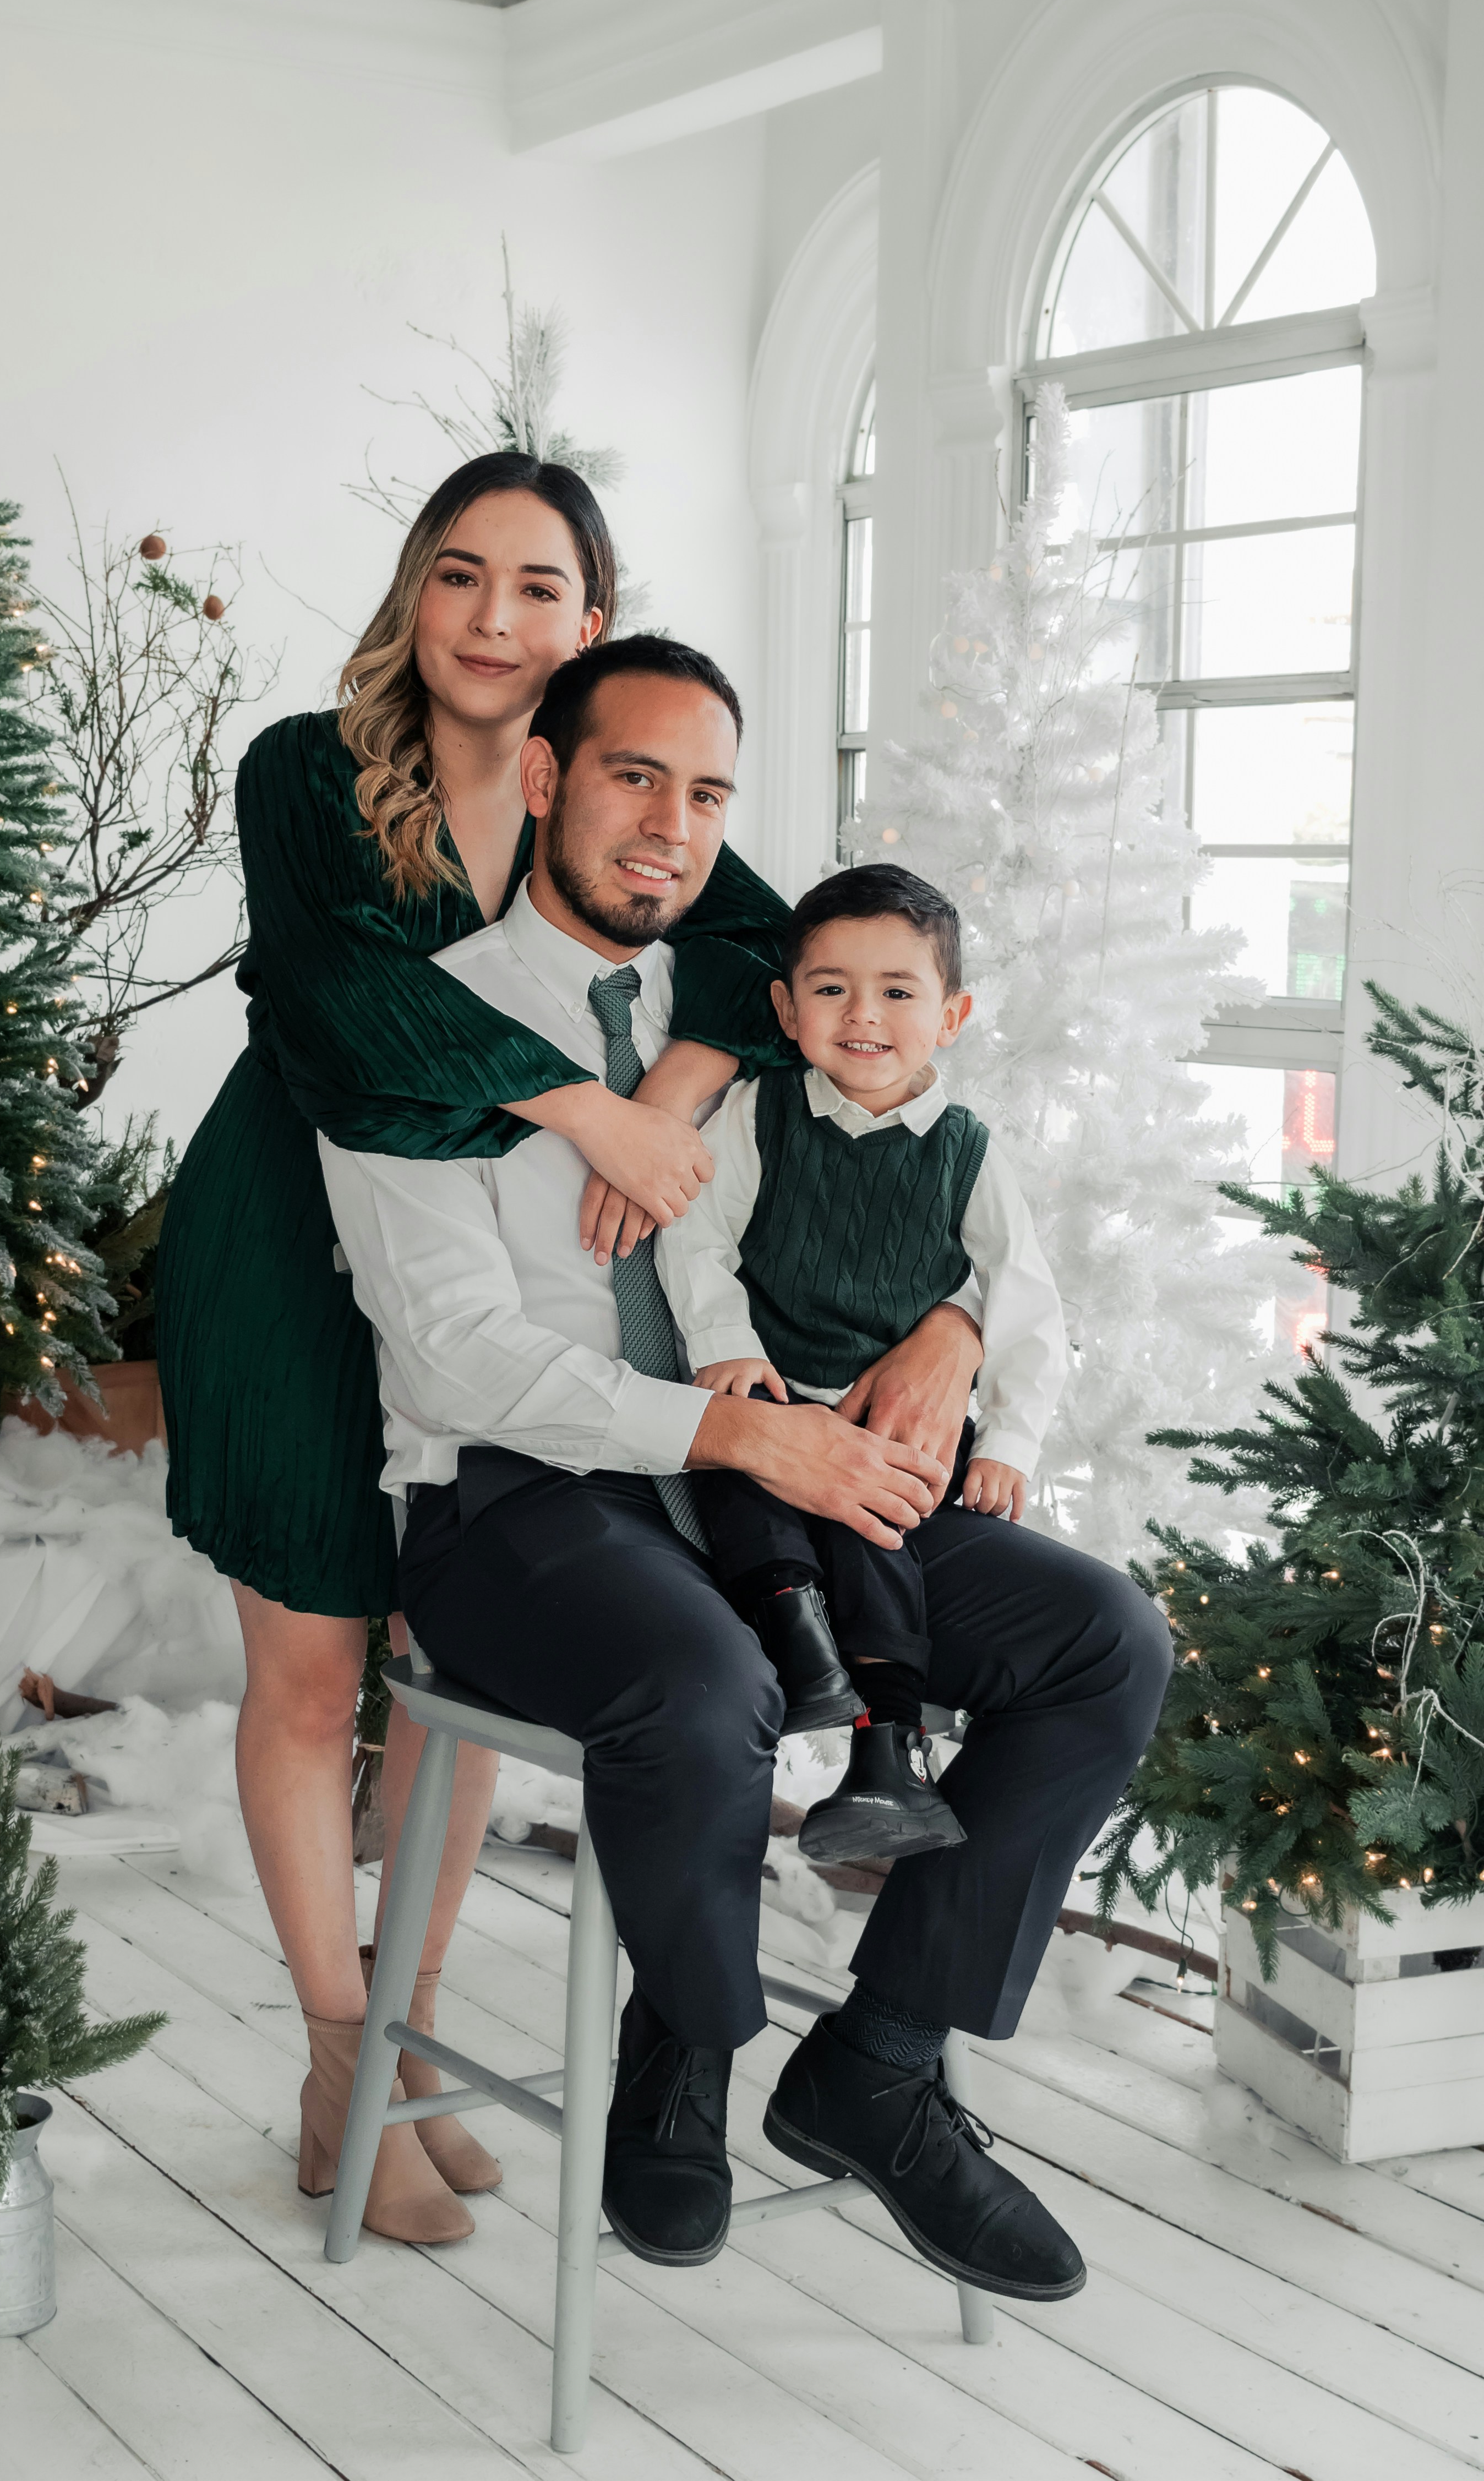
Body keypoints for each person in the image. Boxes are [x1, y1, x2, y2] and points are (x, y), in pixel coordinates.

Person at [320, 633, 1171, 2300]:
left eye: (708, 791)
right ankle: (686, 2049)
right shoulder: (413, 1027)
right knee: (707, 1680)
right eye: (634, 773)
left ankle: (881, 2066)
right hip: (516, 1500)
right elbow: (449, 1356)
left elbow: (906, 1190)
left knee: (1102, 1639)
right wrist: (730, 1428)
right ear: (548, 776)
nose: (672, 822)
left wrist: (960, 1328)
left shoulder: (758, 1004)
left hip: (777, 1473)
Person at [156, 456, 803, 2246]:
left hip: (489, 1269)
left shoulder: (602, 771)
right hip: (291, 1242)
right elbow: (336, 998)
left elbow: (765, 938)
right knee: (310, 1679)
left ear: (587, 622)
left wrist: (674, 1080)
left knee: (457, 1653)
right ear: (412, 592)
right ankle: (334, 2057)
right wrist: (591, 1108)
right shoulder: (307, 771)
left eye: (538, 587)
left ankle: (408, 2053)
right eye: (461, 575)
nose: (495, 619)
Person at [656, 860, 1067, 1867]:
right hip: (774, 1388)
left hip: (888, 1414)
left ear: (953, 1013)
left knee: (880, 1533)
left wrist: (1009, 1440)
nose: (863, 1016)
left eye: (898, 991)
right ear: (787, 1009)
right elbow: (696, 1239)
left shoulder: (968, 1150)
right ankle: (799, 1647)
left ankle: (886, 1756)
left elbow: (1028, 1305)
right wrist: (727, 1350)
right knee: (744, 1489)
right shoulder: (763, 1112)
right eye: (831, 989)